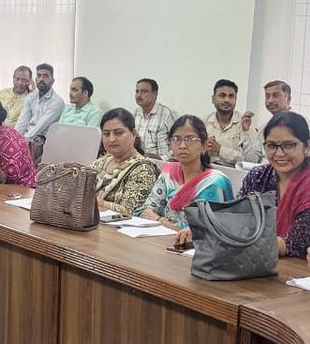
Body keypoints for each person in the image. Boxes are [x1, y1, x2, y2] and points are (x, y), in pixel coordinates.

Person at [240, 113, 310, 259]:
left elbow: (300, 243)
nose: (279, 153)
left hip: (301, 270)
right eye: (272, 145)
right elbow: (237, 219)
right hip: (252, 260)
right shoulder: (258, 177)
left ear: (307, 146)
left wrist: (239, 240)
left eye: (289, 145)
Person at [138, 115, 234, 246]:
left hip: (196, 250)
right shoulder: (169, 173)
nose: (182, 146)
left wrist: (160, 220)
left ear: (204, 145)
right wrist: (161, 220)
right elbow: (146, 211)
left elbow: (203, 231)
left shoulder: (215, 182)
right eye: (176, 139)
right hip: (160, 242)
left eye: (190, 139)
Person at [92, 109, 160, 217]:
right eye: (106, 134)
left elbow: (130, 211)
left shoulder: (143, 169)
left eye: (118, 133)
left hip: (118, 229)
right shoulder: (99, 163)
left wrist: (99, 203)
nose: (111, 139)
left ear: (133, 134)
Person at [204, 79, 261, 167]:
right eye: (222, 96)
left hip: (235, 175)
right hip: (208, 172)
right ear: (213, 99)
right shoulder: (205, 122)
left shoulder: (245, 124)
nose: (227, 100)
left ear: (235, 99)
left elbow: (252, 160)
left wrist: (220, 150)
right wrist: (202, 149)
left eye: (231, 96)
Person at [15, 62, 63, 143]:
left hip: (43, 139)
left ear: (53, 81)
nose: (41, 79)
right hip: (26, 136)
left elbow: (40, 126)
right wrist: (14, 137)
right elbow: (22, 121)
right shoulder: (31, 97)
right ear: (36, 79)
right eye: (39, 75)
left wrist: (23, 141)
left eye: (46, 76)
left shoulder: (57, 102)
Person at [133, 77, 177, 160]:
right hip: (140, 165)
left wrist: (161, 159)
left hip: (163, 165)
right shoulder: (135, 114)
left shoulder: (167, 114)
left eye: (144, 91)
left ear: (155, 94)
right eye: (137, 91)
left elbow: (179, 142)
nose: (139, 95)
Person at [0, 65, 32, 129]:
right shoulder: (3, 93)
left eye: (24, 80)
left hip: (16, 133)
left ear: (29, 81)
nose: (20, 82)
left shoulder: (31, 99)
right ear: (13, 78)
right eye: (17, 79)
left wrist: (33, 91)